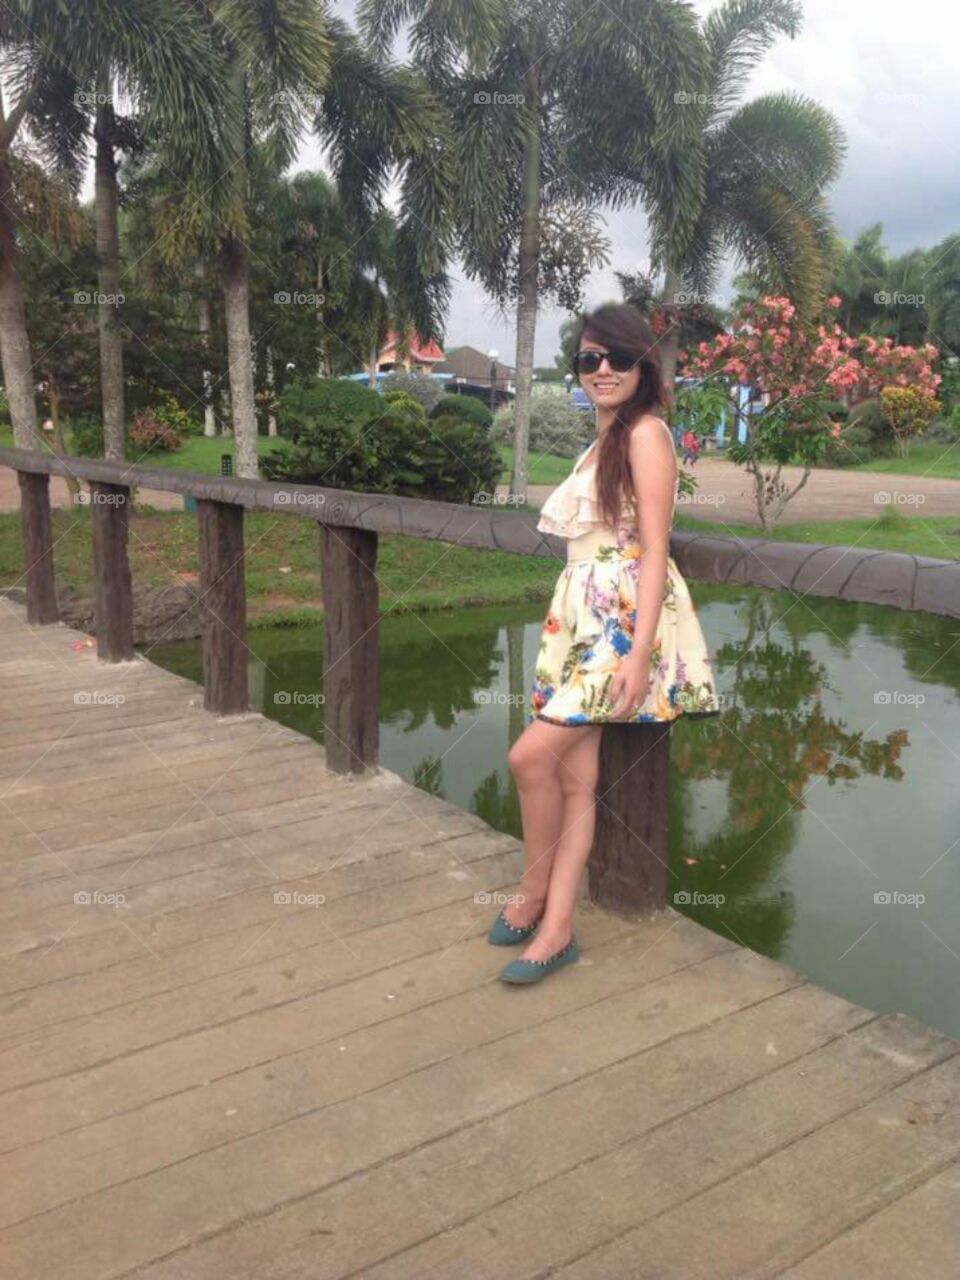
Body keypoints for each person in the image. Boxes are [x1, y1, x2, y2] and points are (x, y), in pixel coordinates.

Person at [490, 303, 721, 985]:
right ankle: (558, 929)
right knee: (573, 777)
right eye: (589, 359)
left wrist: (638, 649)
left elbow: (654, 549)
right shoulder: (607, 437)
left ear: (642, 365)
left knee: (529, 756)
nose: (602, 371)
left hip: (618, 624)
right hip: (580, 619)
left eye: (617, 358)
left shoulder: (647, 434)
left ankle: (533, 894)